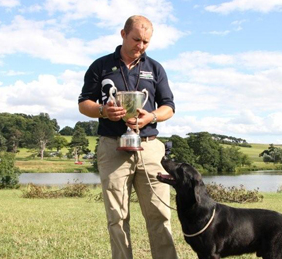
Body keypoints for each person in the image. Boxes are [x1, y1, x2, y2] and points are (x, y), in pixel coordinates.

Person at [78, 15, 178, 259]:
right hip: (112, 147)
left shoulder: (155, 68)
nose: (140, 46)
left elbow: (169, 106)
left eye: (146, 42)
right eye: (136, 39)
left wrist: (150, 117)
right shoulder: (100, 66)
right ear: (123, 34)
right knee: (117, 216)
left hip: (150, 148)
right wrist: (103, 111)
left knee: (160, 214)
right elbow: (84, 103)